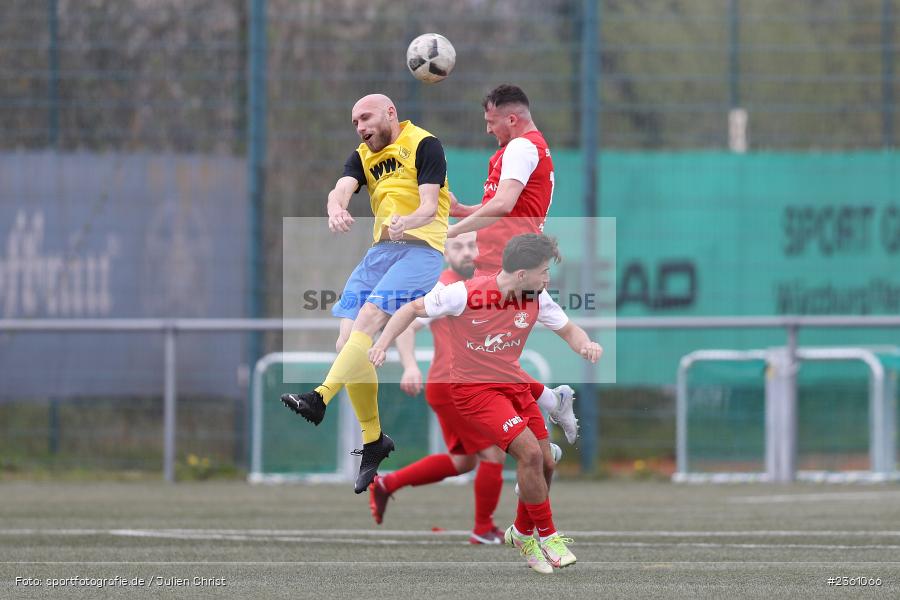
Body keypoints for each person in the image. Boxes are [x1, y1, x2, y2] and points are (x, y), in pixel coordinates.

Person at [369, 234, 603, 574]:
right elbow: (410, 309)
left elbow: (570, 330)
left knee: (547, 461)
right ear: (522, 274)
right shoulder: (463, 293)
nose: (548, 278)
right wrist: (384, 345)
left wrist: (586, 344)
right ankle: (547, 535)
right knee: (531, 454)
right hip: (474, 392)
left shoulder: (537, 298)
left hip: (513, 386)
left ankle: (522, 534)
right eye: (544, 271)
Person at [281, 94, 450, 494]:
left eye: (366, 118)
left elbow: (429, 206)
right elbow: (340, 189)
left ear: (390, 113)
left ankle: (320, 396)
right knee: (345, 341)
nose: (360, 126)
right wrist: (335, 207)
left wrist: (404, 220)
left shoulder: (425, 144)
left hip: (421, 249)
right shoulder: (361, 155)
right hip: (380, 253)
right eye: (355, 121)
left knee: (370, 318)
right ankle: (374, 441)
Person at [448, 83, 578, 440]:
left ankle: (541, 430)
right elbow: (505, 206)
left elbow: (504, 206)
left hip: (506, 267)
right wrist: (464, 210)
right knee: (489, 357)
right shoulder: (528, 148)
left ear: (511, 118)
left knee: (478, 358)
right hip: (504, 263)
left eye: (491, 121)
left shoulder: (521, 147)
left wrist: (453, 230)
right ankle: (548, 414)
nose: (488, 129)